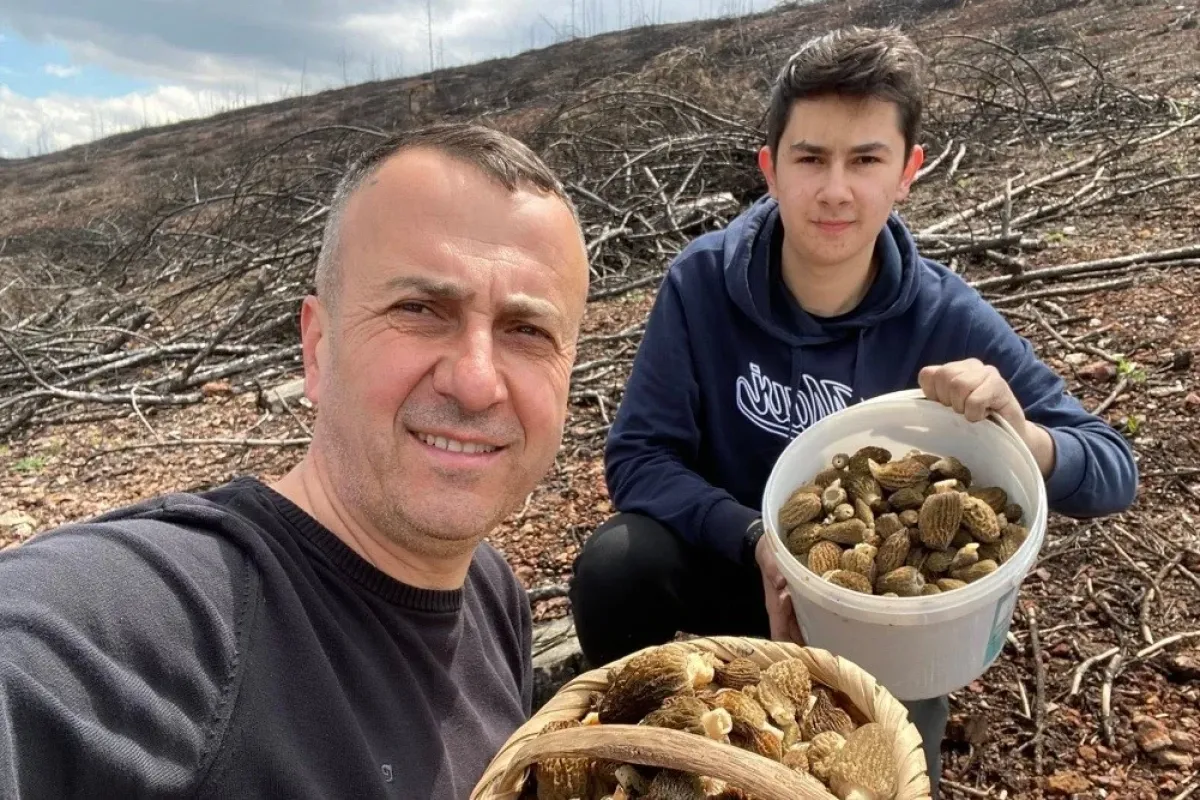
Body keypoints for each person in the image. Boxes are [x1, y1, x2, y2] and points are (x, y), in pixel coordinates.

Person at [568, 26, 1138, 796]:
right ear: (771, 169)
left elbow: (1110, 468)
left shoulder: (945, 317)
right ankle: (625, 747)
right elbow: (638, 457)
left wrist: (1026, 434)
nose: (835, 189)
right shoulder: (701, 284)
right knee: (618, 565)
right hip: (736, 560)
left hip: (880, 608)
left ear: (908, 171)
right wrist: (757, 540)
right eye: (811, 158)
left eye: (865, 159)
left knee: (890, 777)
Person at [0, 123, 591, 799]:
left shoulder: (491, 595)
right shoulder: (166, 617)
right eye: (421, 308)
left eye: (527, 331)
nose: (477, 380)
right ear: (316, 349)